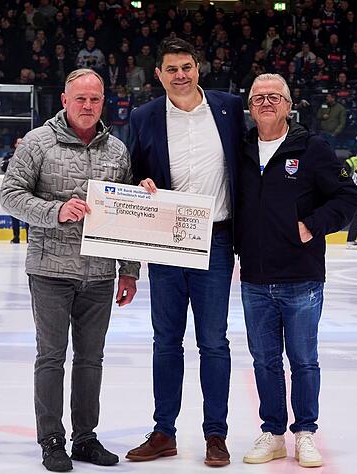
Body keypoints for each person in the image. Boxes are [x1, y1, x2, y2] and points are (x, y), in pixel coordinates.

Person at [0, 69, 139, 473]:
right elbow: (9, 195)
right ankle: (52, 439)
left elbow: (129, 215)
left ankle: (85, 438)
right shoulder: (37, 143)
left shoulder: (117, 150)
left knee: (91, 359)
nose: (87, 106)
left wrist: (128, 270)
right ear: (64, 99)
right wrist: (54, 211)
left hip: (99, 274)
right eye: (80, 98)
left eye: (95, 99)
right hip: (50, 271)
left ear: (103, 103)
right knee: (52, 357)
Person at [125, 38, 244, 467]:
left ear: (199, 68)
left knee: (213, 341)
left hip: (216, 240)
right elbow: (133, 171)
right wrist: (140, 185)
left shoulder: (229, 108)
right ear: (158, 74)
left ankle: (216, 434)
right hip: (166, 239)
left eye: (187, 66)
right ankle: (164, 431)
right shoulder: (144, 117)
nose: (181, 75)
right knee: (166, 341)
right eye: (171, 68)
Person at [235, 74, 357, 468]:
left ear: (289, 105)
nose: (266, 103)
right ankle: (272, 432)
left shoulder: (313, 147)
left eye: (275, 97)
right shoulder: (239, 149)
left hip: (301, 278)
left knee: (304, 359)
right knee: (265, 361)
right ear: (250, 108)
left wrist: (313, 224)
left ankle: (305, 432)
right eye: (258, 98)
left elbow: (348, 195)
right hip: (254, 278)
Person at [0, 137, 27, 243]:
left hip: (26, 186)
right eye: (18, 143)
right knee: (14, 213)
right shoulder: (10, 156)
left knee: (27, 213)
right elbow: (2, 167)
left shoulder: (29, 155)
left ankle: (29, 237)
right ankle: (16, 236)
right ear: (15, 144)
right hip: (13, 186)